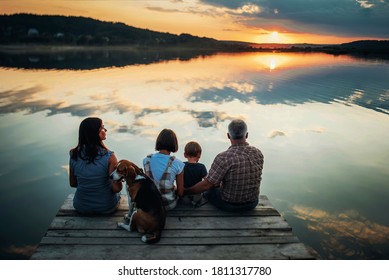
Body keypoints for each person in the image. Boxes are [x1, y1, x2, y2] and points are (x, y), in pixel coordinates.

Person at [185, 119, 264, 212]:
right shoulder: (258, 153)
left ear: (228, 135)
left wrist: (185, 191)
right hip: (252, 203)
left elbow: (207, 185)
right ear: (246, 135)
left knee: (209, 191)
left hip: (229, 205)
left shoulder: (224, 157)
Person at [69, 117, 122, 214]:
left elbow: (73, 183)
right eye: (102, 128)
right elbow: (116, 189)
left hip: (81, 206)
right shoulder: (110, 156)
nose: (105, 130)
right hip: (106, 207)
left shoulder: (74, 154)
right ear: (96, 133)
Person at [143, 128, 185, 210]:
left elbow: (150, 182)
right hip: (168, 206)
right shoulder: (178, 164)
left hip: (151, 205)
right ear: (174, 143)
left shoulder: (146, 160)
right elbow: (180, 193)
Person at [181, 141, 207, 205]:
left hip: (184, 197)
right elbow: (207, 181)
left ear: (185, 155)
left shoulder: (181, 165)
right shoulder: (201, 167)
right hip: (197, 197)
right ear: (199, 155)